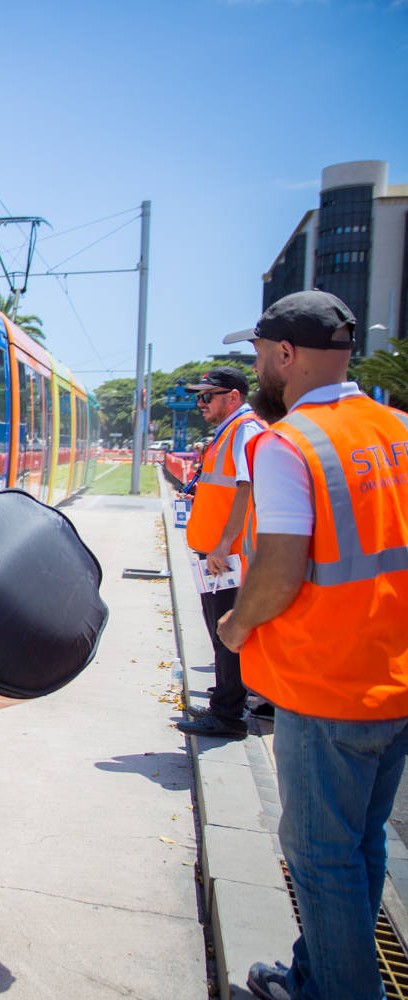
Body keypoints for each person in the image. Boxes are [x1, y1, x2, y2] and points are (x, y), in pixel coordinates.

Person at [209, 291, 408, 1000]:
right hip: (395, 681)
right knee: (360, 846)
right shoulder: (398, 429)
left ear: (285, 355)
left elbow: (281, 568)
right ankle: (314, 975)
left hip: (327, 685)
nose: (259, 369)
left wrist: (235, 628)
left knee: (320, 857)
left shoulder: (289, 444)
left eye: (260, 356)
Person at [176, 367, 264, 739]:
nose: (200, 403)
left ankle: (227, 716)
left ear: (233, 397)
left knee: (227, 634)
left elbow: (247, 486)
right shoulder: (229, 430)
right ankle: (224, 700)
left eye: (206, 396)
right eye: (199, 396)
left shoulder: (244, 428)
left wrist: (224, 544)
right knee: (220, 632)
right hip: (220, 555)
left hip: (227, 558)